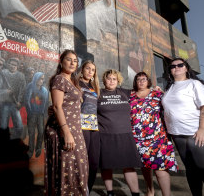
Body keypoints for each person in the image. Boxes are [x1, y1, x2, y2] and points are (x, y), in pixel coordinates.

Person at [161, 58, 204, 196]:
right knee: (191, 170)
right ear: (170, 71)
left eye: (180, 65)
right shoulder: (169, 88)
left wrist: (202, 129)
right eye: (173, 66)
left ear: (186, 68)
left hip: (197, 133)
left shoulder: (194, 84)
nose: (176, 67)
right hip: (178, 134)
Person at [44, 49, 88, 195]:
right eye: (69, 59)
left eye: (75, 61)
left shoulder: (73, 81)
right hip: (63, 130)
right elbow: (57, 106)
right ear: (61, 61)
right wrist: (66, 132)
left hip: (75, 129)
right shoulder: (59, 79)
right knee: (66, 169)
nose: (72, 63)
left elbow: (63, 104)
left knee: (78, 168)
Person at [129, 72, 178, 196]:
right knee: (145, 167)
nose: (141, 81)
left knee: (160, 169)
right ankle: (150, 190)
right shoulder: (130, 96)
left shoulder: (157, 94)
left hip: (158, 137)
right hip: (138, 139)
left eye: (143, 79)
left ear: (148, 81)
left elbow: (171, 107)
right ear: (135, 81)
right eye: (138, 79)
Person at [97, 69, 142, 196]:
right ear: (104, 79)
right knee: (106, 166)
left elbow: (144, 94)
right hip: (105, 135)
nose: (111, 81)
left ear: (118, 81)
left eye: (114, 79)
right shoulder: (97, 93)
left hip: (125, 135)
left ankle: (135, 193)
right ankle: (110, 192)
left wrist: (157, 90)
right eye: (109, 78)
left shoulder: (125, 93)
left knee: (129, 166)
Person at [77, 60, 100, 192]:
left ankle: (87, 190)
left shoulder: (94, 87)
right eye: (88, 68)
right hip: (81, 125)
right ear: (82, 69)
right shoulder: (76, 84)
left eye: (93, 70)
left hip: (94, 126)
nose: (90, 71)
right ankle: (79, 189)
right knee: (81, 160)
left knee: (94, 161)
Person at [0, 57, 26, 139]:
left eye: (15, 65)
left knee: (19, 127)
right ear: (8, 64)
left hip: (15, 104)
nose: (13, 66)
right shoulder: (2, 73)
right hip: (4, 104)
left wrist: (19, 102)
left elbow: (23, 91)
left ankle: (14, 142)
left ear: (17, 66)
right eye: (11, 64)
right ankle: (4, 144)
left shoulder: (21, 76)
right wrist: (5, 91)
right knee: (3, 127)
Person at [24, 72, 48, 158]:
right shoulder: (30, 87)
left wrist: (43, 114)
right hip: (32, 114)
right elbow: (26, 100)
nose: (41, 80)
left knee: (41, 132)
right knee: (31, 133)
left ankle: (38, 149)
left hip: (40, 115)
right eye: (40, 78)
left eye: (42, 79)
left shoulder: (44, 90)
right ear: (35, 78)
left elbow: (45, 103)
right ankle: (30, 150)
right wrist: (30, 112)